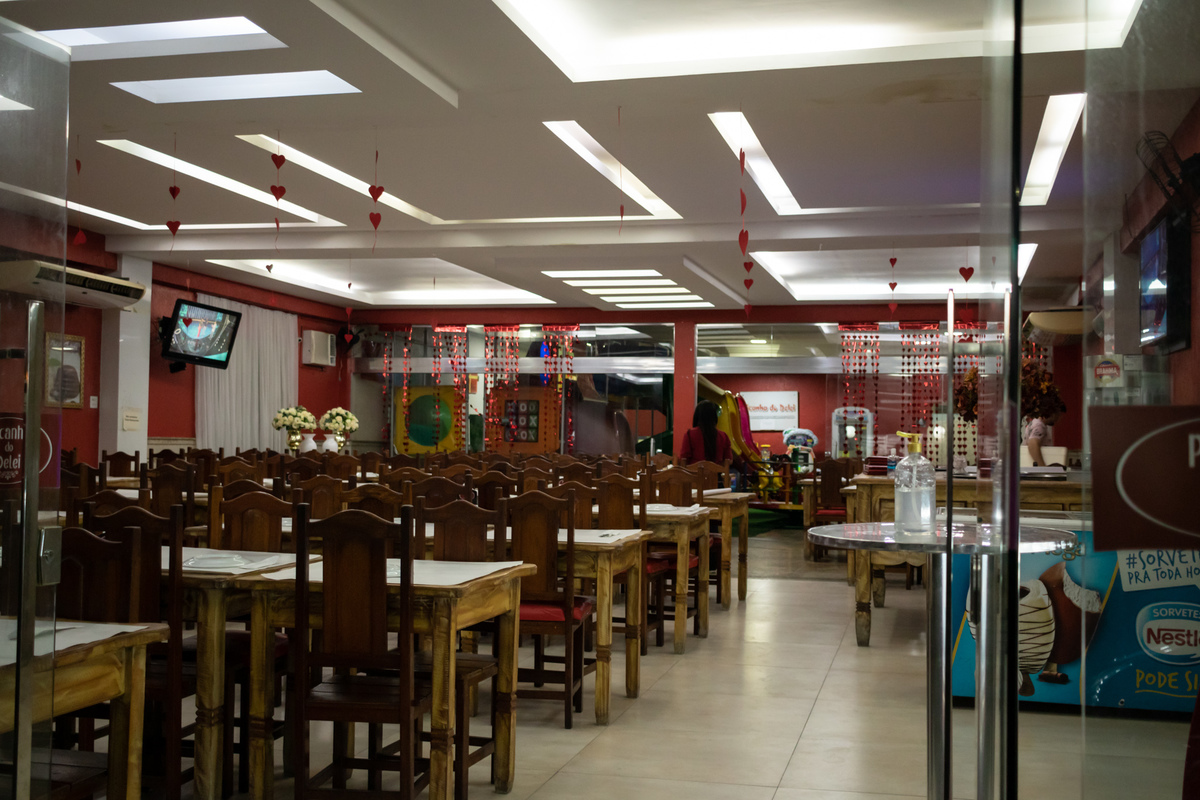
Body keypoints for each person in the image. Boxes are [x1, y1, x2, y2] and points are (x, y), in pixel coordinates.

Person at [679, 401, 733, 465]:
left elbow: (684, 459)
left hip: (693, 471)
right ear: (714, 417)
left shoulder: (689, 435)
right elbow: (729, 460)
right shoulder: (723, 436)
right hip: (716, 471)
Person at [1023, 395, 1066, 466]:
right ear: (1052, 412)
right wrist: (1043, 468)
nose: (1058, 419)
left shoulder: (1035, 422)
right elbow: (1033, 444)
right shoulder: (1039, 426)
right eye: (1058, 415)